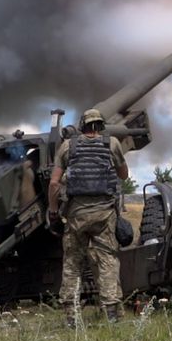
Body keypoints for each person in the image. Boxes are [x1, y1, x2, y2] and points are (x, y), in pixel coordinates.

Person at [48, 109, 128, 324]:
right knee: (108, 262)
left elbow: (55, 183)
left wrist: (53, 211)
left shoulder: (68, 147)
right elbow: (124, 175)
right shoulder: (112, 144)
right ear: (101, 125)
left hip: (76, 216)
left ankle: (71, 317)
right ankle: (112, 315)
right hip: (104, 214)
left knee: (73, 264)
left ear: (82, 125)